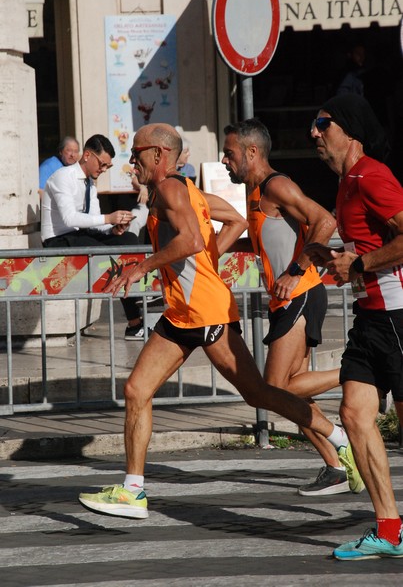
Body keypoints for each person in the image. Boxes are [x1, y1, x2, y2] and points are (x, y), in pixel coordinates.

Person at [78, 122, 361, 521]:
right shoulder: (191, 191)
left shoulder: (172, 189)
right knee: (136, 389)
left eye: (136, 153)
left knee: (260, 393)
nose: (131, 162)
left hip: (207, 313)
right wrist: (203, 264)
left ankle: (339, 438)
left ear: (159, 155)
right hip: (181, 313)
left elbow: (192, 240)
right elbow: (235, 223)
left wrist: (141, 267)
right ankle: (132, 491)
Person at [221, 118, 361, 497]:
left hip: (301, 293)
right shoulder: (253, 194)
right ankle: (335, 467)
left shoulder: (276, 186)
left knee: (274, 387)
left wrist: (295, 269)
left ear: (252, 152)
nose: (224, 160)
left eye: (230, 153)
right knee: (292, 395)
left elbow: (324, 220)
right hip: (286, 300)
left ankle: (361, 372)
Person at [306, 93, 403, 560]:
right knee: (354, 414)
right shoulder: (346, 184)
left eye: (323, 124)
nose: (314, 133)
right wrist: (333, 261)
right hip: (370, 318)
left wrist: (360, 263)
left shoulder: (372, 176)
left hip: (399, 314)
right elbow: (360, 251)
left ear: (348, 130)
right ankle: (389, 530)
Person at [41, 134, 145, 340]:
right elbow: (70, 219)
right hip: (60, 239)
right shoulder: (63, 177)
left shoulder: (90, 183)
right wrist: (108, 218)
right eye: (102, 164)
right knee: (105, 252)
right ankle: (134, 321)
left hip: (81, 235)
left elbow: (95, 223)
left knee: (129, 241)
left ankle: (139, 306)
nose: (104, 169)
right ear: (87, 155)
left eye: (108, 166)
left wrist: (113, 229)